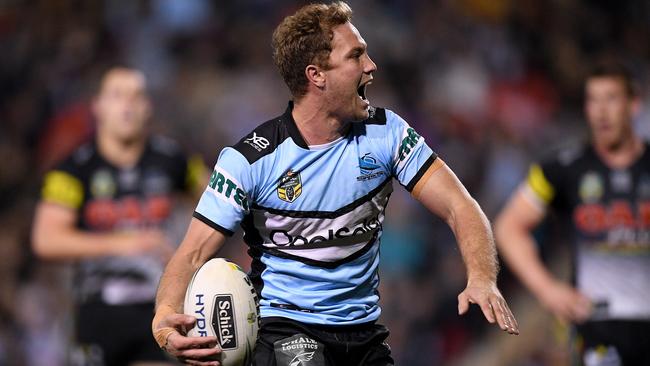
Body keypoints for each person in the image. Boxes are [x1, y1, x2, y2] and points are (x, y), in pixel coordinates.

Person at [152, 2, 519, 365]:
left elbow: (460, 205)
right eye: (356, 56)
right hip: (286, 330)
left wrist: (482, 278)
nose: (371, 66)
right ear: (317, 75)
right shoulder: (250, 161)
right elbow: (193, 253)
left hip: (365, 334)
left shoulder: (387, 134)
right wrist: (165, 318)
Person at [32, 66, 206, 366]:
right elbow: (46, 240)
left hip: (161, 305)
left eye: (136, 96)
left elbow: (221, 202)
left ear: (148, 107)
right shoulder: (73, 169)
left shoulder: (172, 158)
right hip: (99, 309)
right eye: (117, 96)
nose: (127, 105)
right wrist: (128, 243)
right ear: (98, 106)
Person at [494, 62, 650, 365]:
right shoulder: (565, 168)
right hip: (597, 327)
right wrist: (547, 290)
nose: (601, 111)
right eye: (593, 100)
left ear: (633, 105)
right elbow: (508, 227)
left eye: (611, 99)